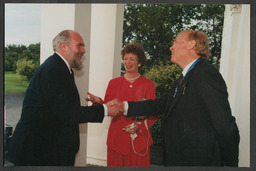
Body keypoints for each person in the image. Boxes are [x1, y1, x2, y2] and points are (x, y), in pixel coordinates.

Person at [111, 30, 240, 166]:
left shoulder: (206, 74)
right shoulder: (185, 77)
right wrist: (124, 106)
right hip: (181, 159)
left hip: (197, 162)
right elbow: (160, 104)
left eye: (175, 42)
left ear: (191, 45)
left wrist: (229, 165)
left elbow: (225, 125)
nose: (171, 47)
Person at [6, 30, 119, 166]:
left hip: (49, 150)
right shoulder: (53, 70)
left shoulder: (62, 68)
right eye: (79, 45)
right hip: (39, 153)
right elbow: (67, 113)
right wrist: (105, 110)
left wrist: (99, 107)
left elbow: (60, 110)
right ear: (63, 46)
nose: (83, 50)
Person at [86, 42, 159, 166]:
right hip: (116, 141)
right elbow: (110, 109)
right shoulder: (113, 83)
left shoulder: (148, 84)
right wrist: (99, 102)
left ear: (139, 62)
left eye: (132, 59)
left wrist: (139, 127)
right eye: (125, 59)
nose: (127, 62)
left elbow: (154, 112)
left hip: (139, 142)